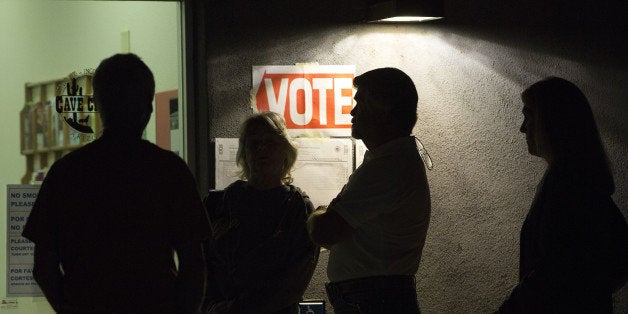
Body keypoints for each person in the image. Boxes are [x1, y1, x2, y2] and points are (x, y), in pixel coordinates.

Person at [22, 53, 211, 314]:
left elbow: (44, 267)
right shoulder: (169, 170)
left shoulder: (66, 172)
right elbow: (193, 264)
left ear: (99, 104)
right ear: (148, 108)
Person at [498, 77, 628, 313]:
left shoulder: (567, 184)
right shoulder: (579, 180)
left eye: (529, 115)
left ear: (551, 121)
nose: (523, 127)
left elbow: (549, 274)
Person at [307, 67, 431, 313]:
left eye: (360, 103)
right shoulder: (387, 161)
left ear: (383, 110)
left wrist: (315, 215)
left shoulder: (389, 167)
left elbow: (325, 232)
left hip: (375, 300)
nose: (352, 112)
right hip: (375, 297)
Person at [202, 111, 320, 314]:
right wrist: (211, 306)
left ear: (285, 149)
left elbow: (293, 281)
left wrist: (236, 308)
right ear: (244, 151)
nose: (261, 149)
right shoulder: (219, 204)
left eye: (270, 142)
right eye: (254, 142)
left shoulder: (297, 207)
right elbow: (202, 264)